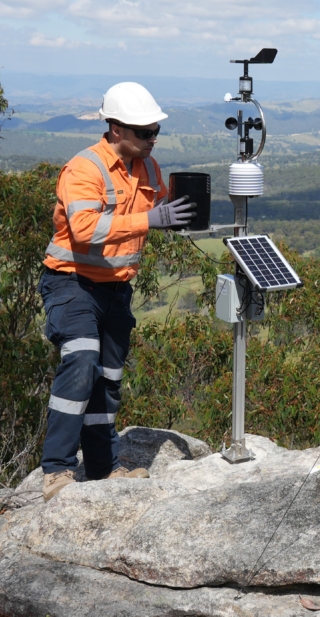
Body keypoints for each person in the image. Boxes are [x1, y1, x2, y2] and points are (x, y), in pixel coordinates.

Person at [38, 81, 196, 501]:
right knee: (82, 360)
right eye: (143, 132)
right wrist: (150, 220)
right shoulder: (84, 168)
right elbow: (84, 229)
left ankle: (105, 468)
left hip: (115, 290)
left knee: (108, 378)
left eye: (154, 131)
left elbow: (160, 210)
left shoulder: (151, 169)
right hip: (71, 283)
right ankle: (56, 471)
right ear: (115, 129)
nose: (152, 138)